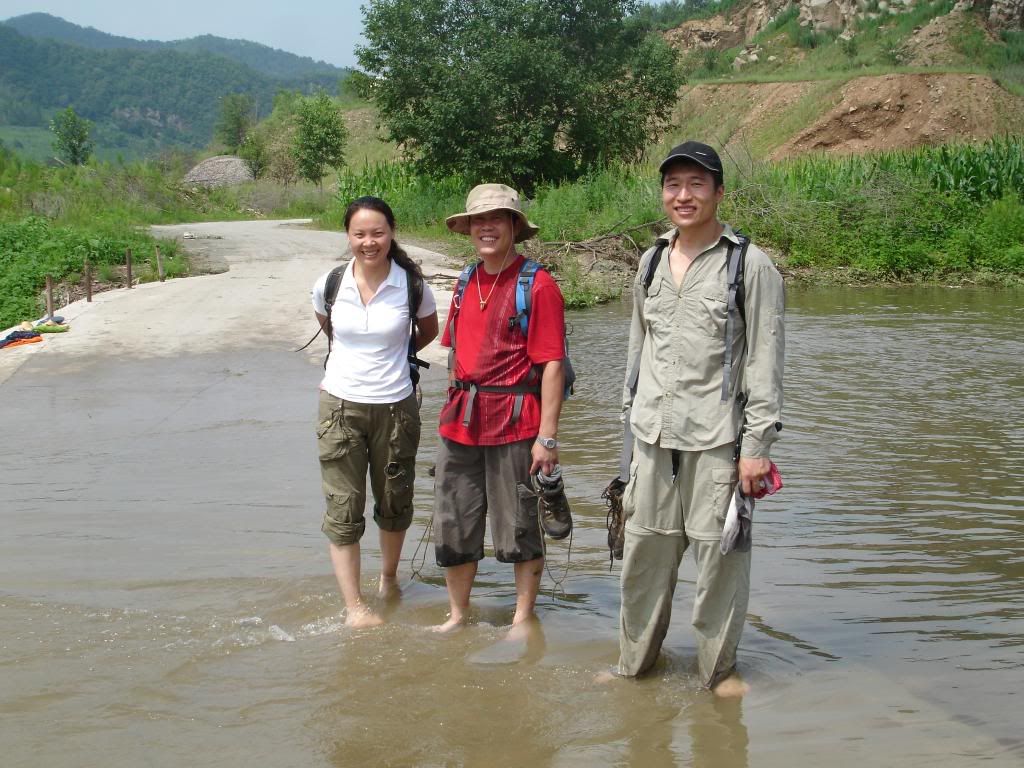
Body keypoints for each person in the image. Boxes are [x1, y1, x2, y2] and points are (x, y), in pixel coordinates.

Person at [616, 142, 785, 696]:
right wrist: (627, 431)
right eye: (673, 185)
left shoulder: (749, 265)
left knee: (720, 566)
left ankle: (718, 674)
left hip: (719, 443)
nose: (683, 196)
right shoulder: (649, 262)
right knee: (642, 561)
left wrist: (757, 448)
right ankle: (633, 669)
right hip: (651, 438)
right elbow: (638, 352)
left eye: (696, 184)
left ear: (718, 192)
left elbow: (765, 361)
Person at [432, 183, 567, 633]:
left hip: (516, 421)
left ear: (513, 226)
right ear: (469, 228)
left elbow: (552, 365)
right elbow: (455, 353)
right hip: (460, 422)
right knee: (454, 518)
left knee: (519, 523)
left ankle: (522, 619)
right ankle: (457, 615)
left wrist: (547, 438)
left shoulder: (537, 284)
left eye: (496, 218)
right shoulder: (465, 281)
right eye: (478, 220)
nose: (486, 227)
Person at [311, 196, 439, 628]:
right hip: (339, 407)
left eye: (378, 233)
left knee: (394, 499)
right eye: (360, 234)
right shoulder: (330, 283)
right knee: (344, 507)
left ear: (392, 233)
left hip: (396, 406)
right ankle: (355, 607)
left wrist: (392, 354)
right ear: (348, 237)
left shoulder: (412, 285)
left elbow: (428, 331)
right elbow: (327, 324)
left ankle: (388, 579)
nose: (369, 242)